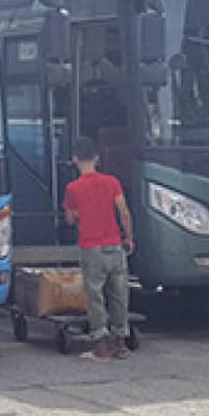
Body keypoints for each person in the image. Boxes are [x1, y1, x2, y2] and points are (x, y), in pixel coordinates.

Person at [62, 136, 134, 362]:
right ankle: (120, 344)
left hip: (91, 248)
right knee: (119, 295)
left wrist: (78, 213)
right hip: (115, 246)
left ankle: (101, 347)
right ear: (97, 158)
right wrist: (128, 238)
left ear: (75, 159)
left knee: (95, 297)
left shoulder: (73, 188)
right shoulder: (112, 182)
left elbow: (70, 219)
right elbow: (124, 212)